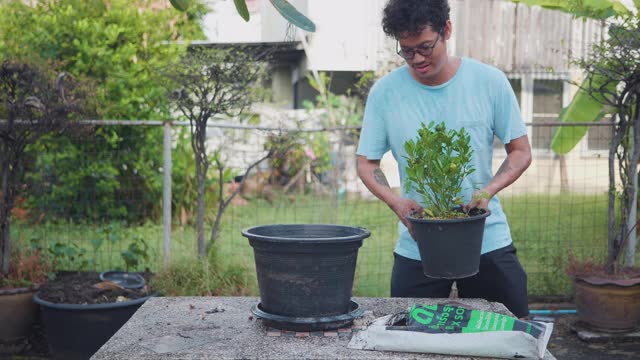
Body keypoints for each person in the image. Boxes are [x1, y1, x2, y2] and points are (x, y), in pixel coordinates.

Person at [356, 0, 532, 318]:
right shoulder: (385, 93)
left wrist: (487, 191)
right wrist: (396, 202)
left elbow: (520, 151)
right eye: (407, 51)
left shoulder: (490, 82)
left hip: (486, 237)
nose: (417, 59)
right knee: (411, 337)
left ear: (446, 30)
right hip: (418, 241)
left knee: (509, 330)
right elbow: (367, 163)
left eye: (425, 47)